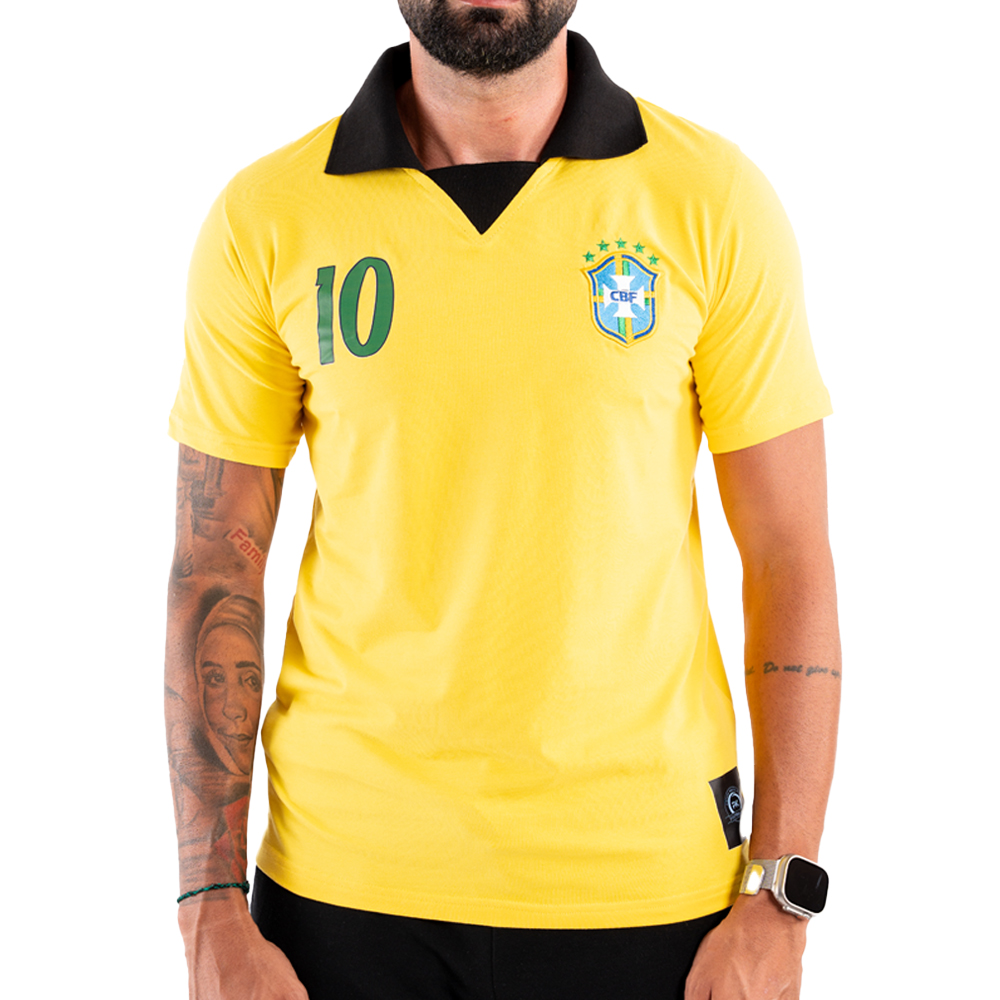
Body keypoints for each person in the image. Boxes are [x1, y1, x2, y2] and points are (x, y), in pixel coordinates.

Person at [165, 2, 841, 998]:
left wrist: (781, 899)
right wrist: (208, 906)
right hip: (342, 888)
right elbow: (215, 561)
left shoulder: (712, 200)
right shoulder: (266, 217)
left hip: (646, 892)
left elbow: (788, 554)